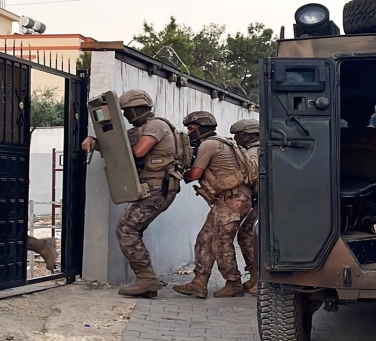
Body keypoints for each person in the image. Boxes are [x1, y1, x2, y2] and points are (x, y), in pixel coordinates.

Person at [81, 89, 182, 298]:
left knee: (126, 229)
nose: (126, 116)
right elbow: (117, 146)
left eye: (127, 111)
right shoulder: (141, 129)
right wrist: (94, 140)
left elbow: (137, 152)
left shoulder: (156, 126)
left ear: (137, 109)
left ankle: (146, 279)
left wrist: (109, 144)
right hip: (150, 188)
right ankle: (147, 282)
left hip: (157, 188)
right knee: (131, 229)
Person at [172, 111, 252, 299]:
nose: (189, 133)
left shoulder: (209, 144)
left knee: (220, 242)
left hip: (233, 199)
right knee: (204, 239)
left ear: (201, 129)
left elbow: (195, 174)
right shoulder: (220, 142)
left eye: (191, 129)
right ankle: (199, 283)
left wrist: (176, 170)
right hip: (227, 199)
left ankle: (233, 283)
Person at [229, 118, 260, 294]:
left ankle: (259, 277)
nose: (235, 139)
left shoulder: (254, 151)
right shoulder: (255, 149)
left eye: (237, 136)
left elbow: (252, 173)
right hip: (263, 200)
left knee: (248, 234)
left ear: (247, 135)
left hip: (265, 201)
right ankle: (255, 276)